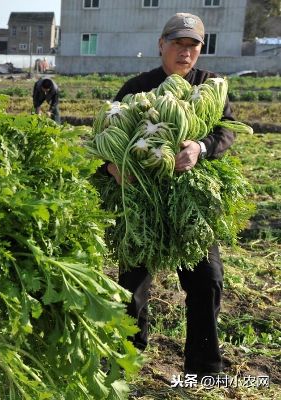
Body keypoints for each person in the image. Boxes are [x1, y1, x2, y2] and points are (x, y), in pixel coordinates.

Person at [103, 12, 235, 377]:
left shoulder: (210, 86)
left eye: (192, 45)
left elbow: (226, 132)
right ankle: (127, 359)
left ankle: (204, 369)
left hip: (190, 204)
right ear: (161, 44)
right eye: (178, 43)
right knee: (131, 286)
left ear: (200, 50)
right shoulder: (138, 87)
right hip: (143, 201)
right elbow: (106, 139)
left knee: (207, 281)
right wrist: (113, 167)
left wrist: (200, 148)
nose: (185, 51)